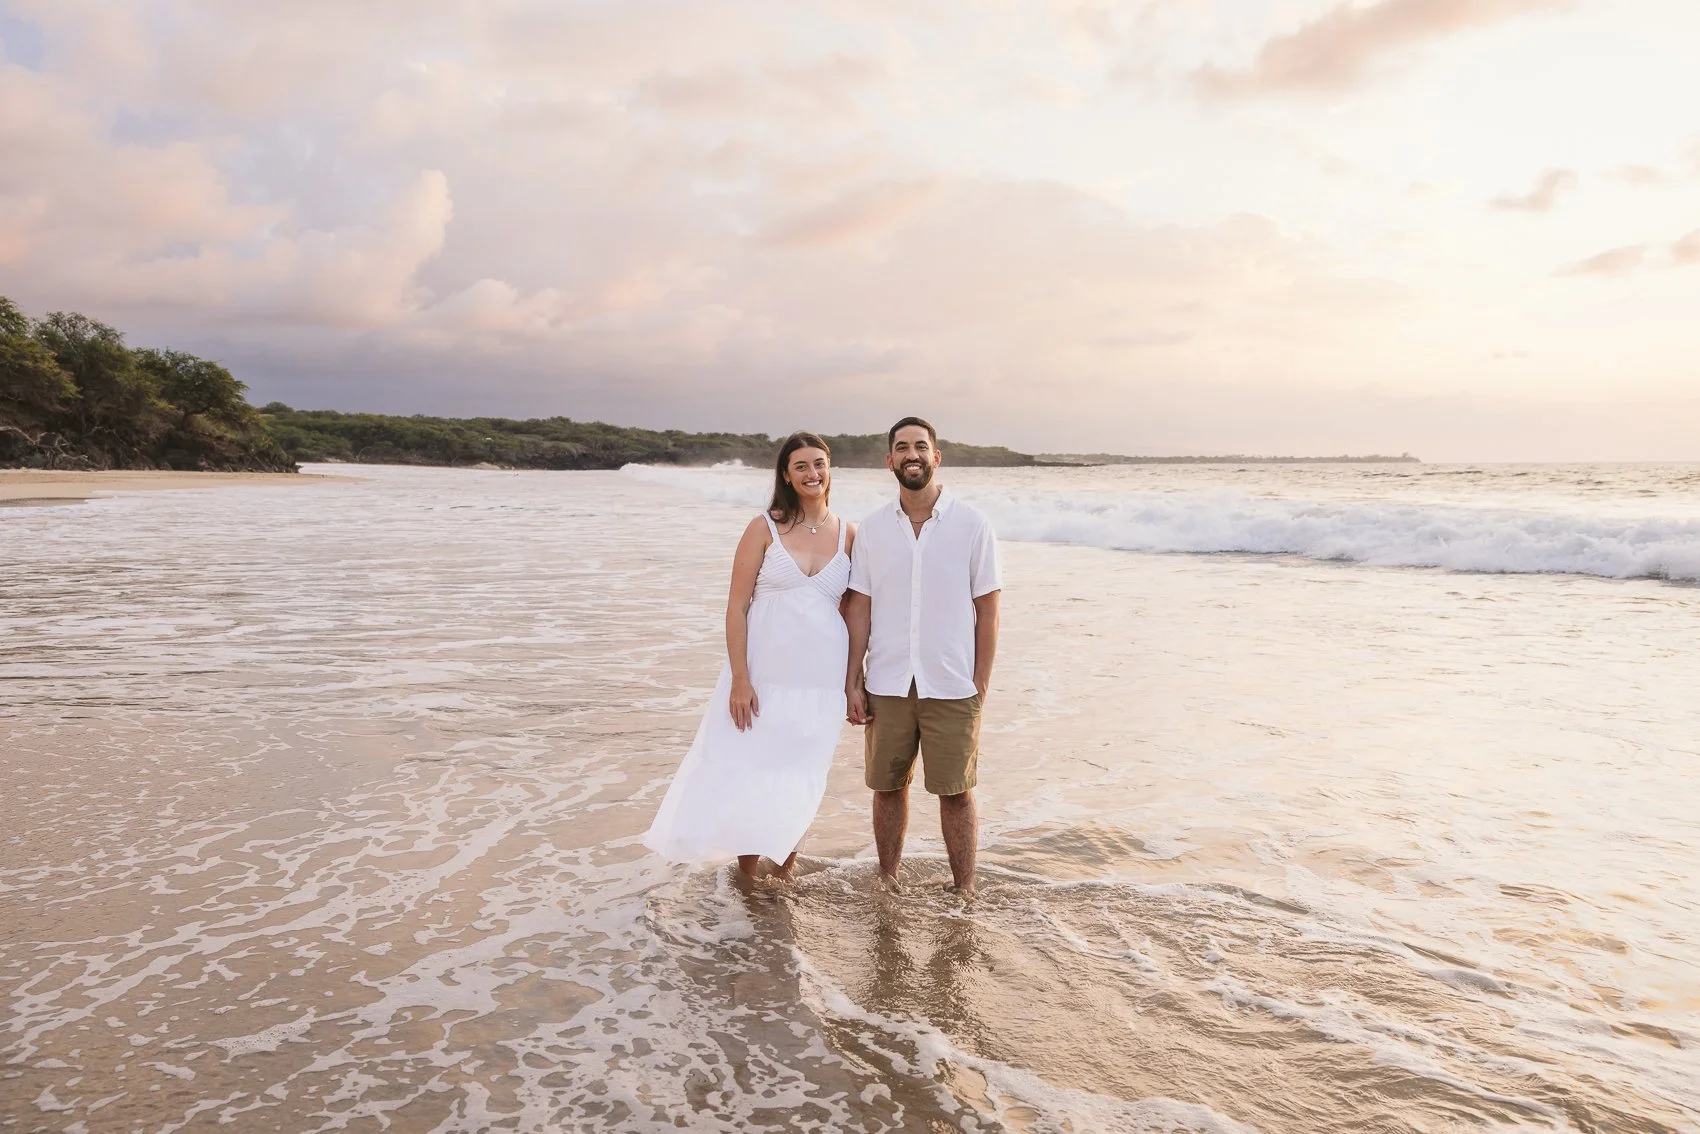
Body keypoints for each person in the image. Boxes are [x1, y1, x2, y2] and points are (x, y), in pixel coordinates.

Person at [643, 432, 856, 883]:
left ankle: (783, 877)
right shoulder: (763, 527)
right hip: (763, 676)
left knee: (803, 777)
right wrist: (741, 678)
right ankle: (745, 877)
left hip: (820, 682)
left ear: (830, 467)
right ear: (785, 474)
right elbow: (737, 605)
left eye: (819, 463)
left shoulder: (850, 535)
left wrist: (854, 682)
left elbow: (854, 614)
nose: (812, 473)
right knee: (751, 771)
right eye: (801, 466)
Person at [845, 416, 1001, 896]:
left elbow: (989, 610)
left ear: (936, 456)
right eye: (901, 447)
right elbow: (860, 608)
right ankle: (887, 881)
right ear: (889, 460)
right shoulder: (871, 530)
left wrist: (980, 683)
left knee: (956, 791)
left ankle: (965, 890)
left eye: (920, 446)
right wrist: (854, 679)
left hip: (952, 683)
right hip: (887, 682)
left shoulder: (973, 525)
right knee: (887, 787)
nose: (911, 454)